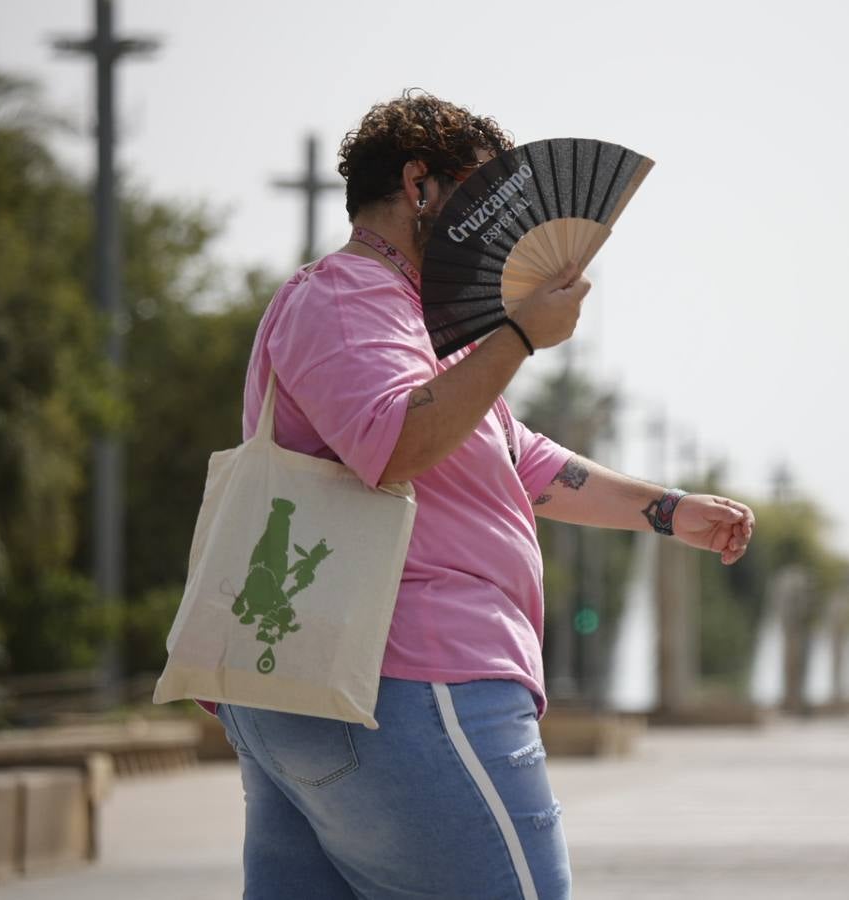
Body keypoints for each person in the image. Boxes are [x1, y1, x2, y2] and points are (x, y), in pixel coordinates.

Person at [212, 90, 756, 900]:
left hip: (331, 678)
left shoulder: (408, 323)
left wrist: (667, 509)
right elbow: (394, 442)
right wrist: (523, 337)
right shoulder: (348, 295)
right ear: (419, 185)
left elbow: (520, 458)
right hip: (414, 681)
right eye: (479, 197)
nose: (496, 230)